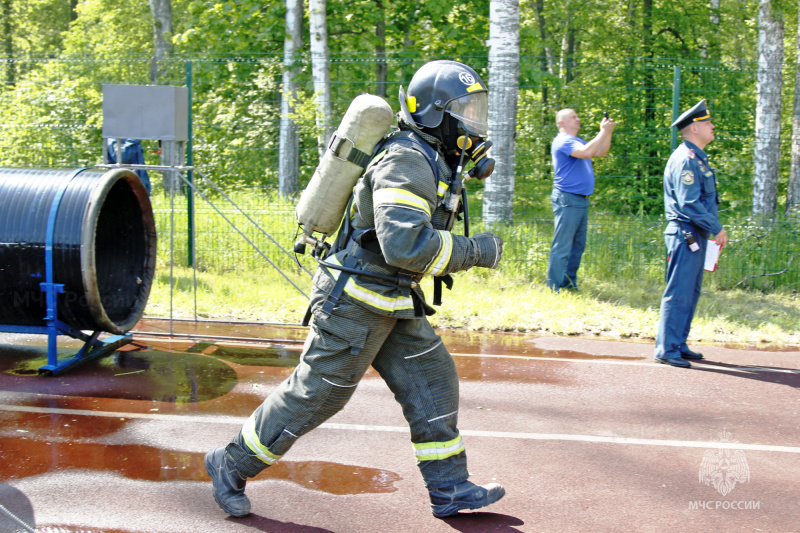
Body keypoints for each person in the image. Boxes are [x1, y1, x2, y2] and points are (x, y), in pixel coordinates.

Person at [204, 60, 506, 519]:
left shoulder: (431, 158)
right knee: (319, 393)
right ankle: (229, 464)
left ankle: (449, 488)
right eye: (463, 110)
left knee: (433, 382)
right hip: (355, 301)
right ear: (433, 114)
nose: (472, 122)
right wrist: (477, 250)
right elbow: (405, 245)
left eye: (475, 109)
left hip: (392, 299)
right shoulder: (407, 160)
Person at [654, 99, 728, 368]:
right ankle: (666, 348)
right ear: (694, 128)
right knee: (679, 291)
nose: (712, 126)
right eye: (707, 123)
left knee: (690, 291)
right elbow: (688, 203)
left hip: (694, 236)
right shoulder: (687, 160)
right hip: (686, 234)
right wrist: (716, 228)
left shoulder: (696, 158)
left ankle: (677, 342)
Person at [546, 108, 615, 291]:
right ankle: (553, 287)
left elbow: (600, 152)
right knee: (562, 245)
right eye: (574, 117)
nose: (578, 119)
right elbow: (586, 152)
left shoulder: (576, 141)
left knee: (577, 245)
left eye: (577, 116)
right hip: (568, 199)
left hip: (580, 200)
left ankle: (568, 284)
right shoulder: (563, 141)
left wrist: (608, 133)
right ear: (562, 122)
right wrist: (603, 131)